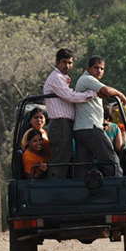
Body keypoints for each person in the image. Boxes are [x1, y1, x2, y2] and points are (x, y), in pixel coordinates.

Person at [42, 48, 98, 179]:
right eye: (64, 62)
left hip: (65, 124)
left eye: (70, 62)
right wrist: (92, 94)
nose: (67, 66)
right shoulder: (56, 78)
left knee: (66, 157)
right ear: (57, 62)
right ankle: (55, 191)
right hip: (60, 123)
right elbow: (70, 96)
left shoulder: (62, 78)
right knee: (59, 159)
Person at [73, 55, 126, 178]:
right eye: (96, 68)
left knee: (83, 165)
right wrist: (121, 94)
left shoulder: (91, 82)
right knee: (111, 161)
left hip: (81, 129)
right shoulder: (87, 79)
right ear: (88, 68)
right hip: (90, 128)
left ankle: (81, 194)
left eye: (102, 69)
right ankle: (119, 189)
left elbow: (104, 93)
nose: (99, 71)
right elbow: (107, 91)